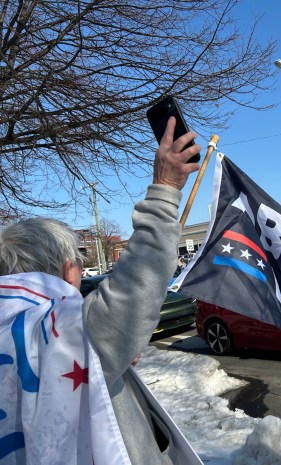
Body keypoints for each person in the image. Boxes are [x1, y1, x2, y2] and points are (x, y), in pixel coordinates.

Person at [0, 117, 202, 465]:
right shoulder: (65, 336)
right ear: (68, 271)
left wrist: (105, 354)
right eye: (80, 260)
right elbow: (141, 277)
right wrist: (166, 186)